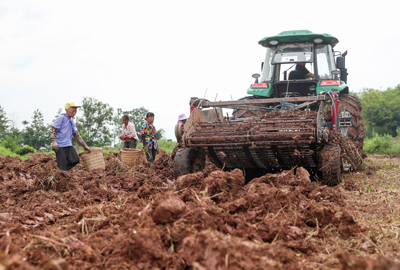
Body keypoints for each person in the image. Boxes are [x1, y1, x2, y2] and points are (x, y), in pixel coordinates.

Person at [50, 102, 91, 171]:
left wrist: (85, 146)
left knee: (76, 159)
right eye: (73, 111)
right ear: (66, 110)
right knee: (62, 164)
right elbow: (53, 129)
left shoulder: (71, 122)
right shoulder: (61, 118)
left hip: (68, 144)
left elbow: (76, 135)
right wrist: (54, 142)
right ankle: (62, 171)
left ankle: (62, 170)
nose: (74, 113)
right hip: (60, 145)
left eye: (75, 111)